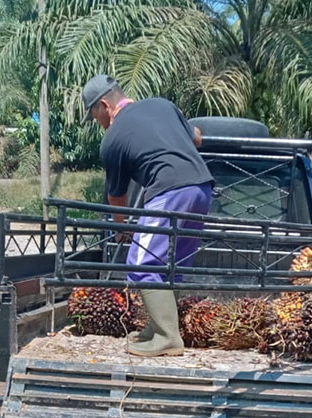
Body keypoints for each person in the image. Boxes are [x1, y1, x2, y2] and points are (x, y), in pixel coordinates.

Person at [81, 74, 214, 357]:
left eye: (95, 115)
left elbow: (117, 197)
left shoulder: (113, 139)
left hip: (169, 193)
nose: (97, 122)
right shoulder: (163, 105)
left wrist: (121, 230)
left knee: (141, 262)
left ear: (104, 105)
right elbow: (198, 137)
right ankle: (157, 328)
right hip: (202, 190)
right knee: (171, 265)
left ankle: (167, 337)